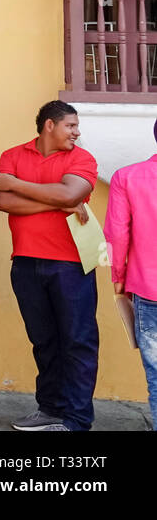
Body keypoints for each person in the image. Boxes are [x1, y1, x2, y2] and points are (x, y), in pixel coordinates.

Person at [0, 100, 99, 432]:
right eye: (71, 126)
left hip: (71, 265)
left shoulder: (82, 158)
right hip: (24, 263)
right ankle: (51, 409)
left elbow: (70, 194)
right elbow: (3, 201)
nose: (76, 132)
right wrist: (58, 199)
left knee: (77, 342)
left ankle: (78, 421)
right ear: (49, 125)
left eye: (77, 126)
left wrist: (18, 185)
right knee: (44, 341)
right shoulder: (12, 155)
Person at [105, 123, 157, 430]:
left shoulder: (127, 177)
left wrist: (119, 279)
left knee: (156, 375)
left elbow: (116, 235)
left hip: (148, 289)